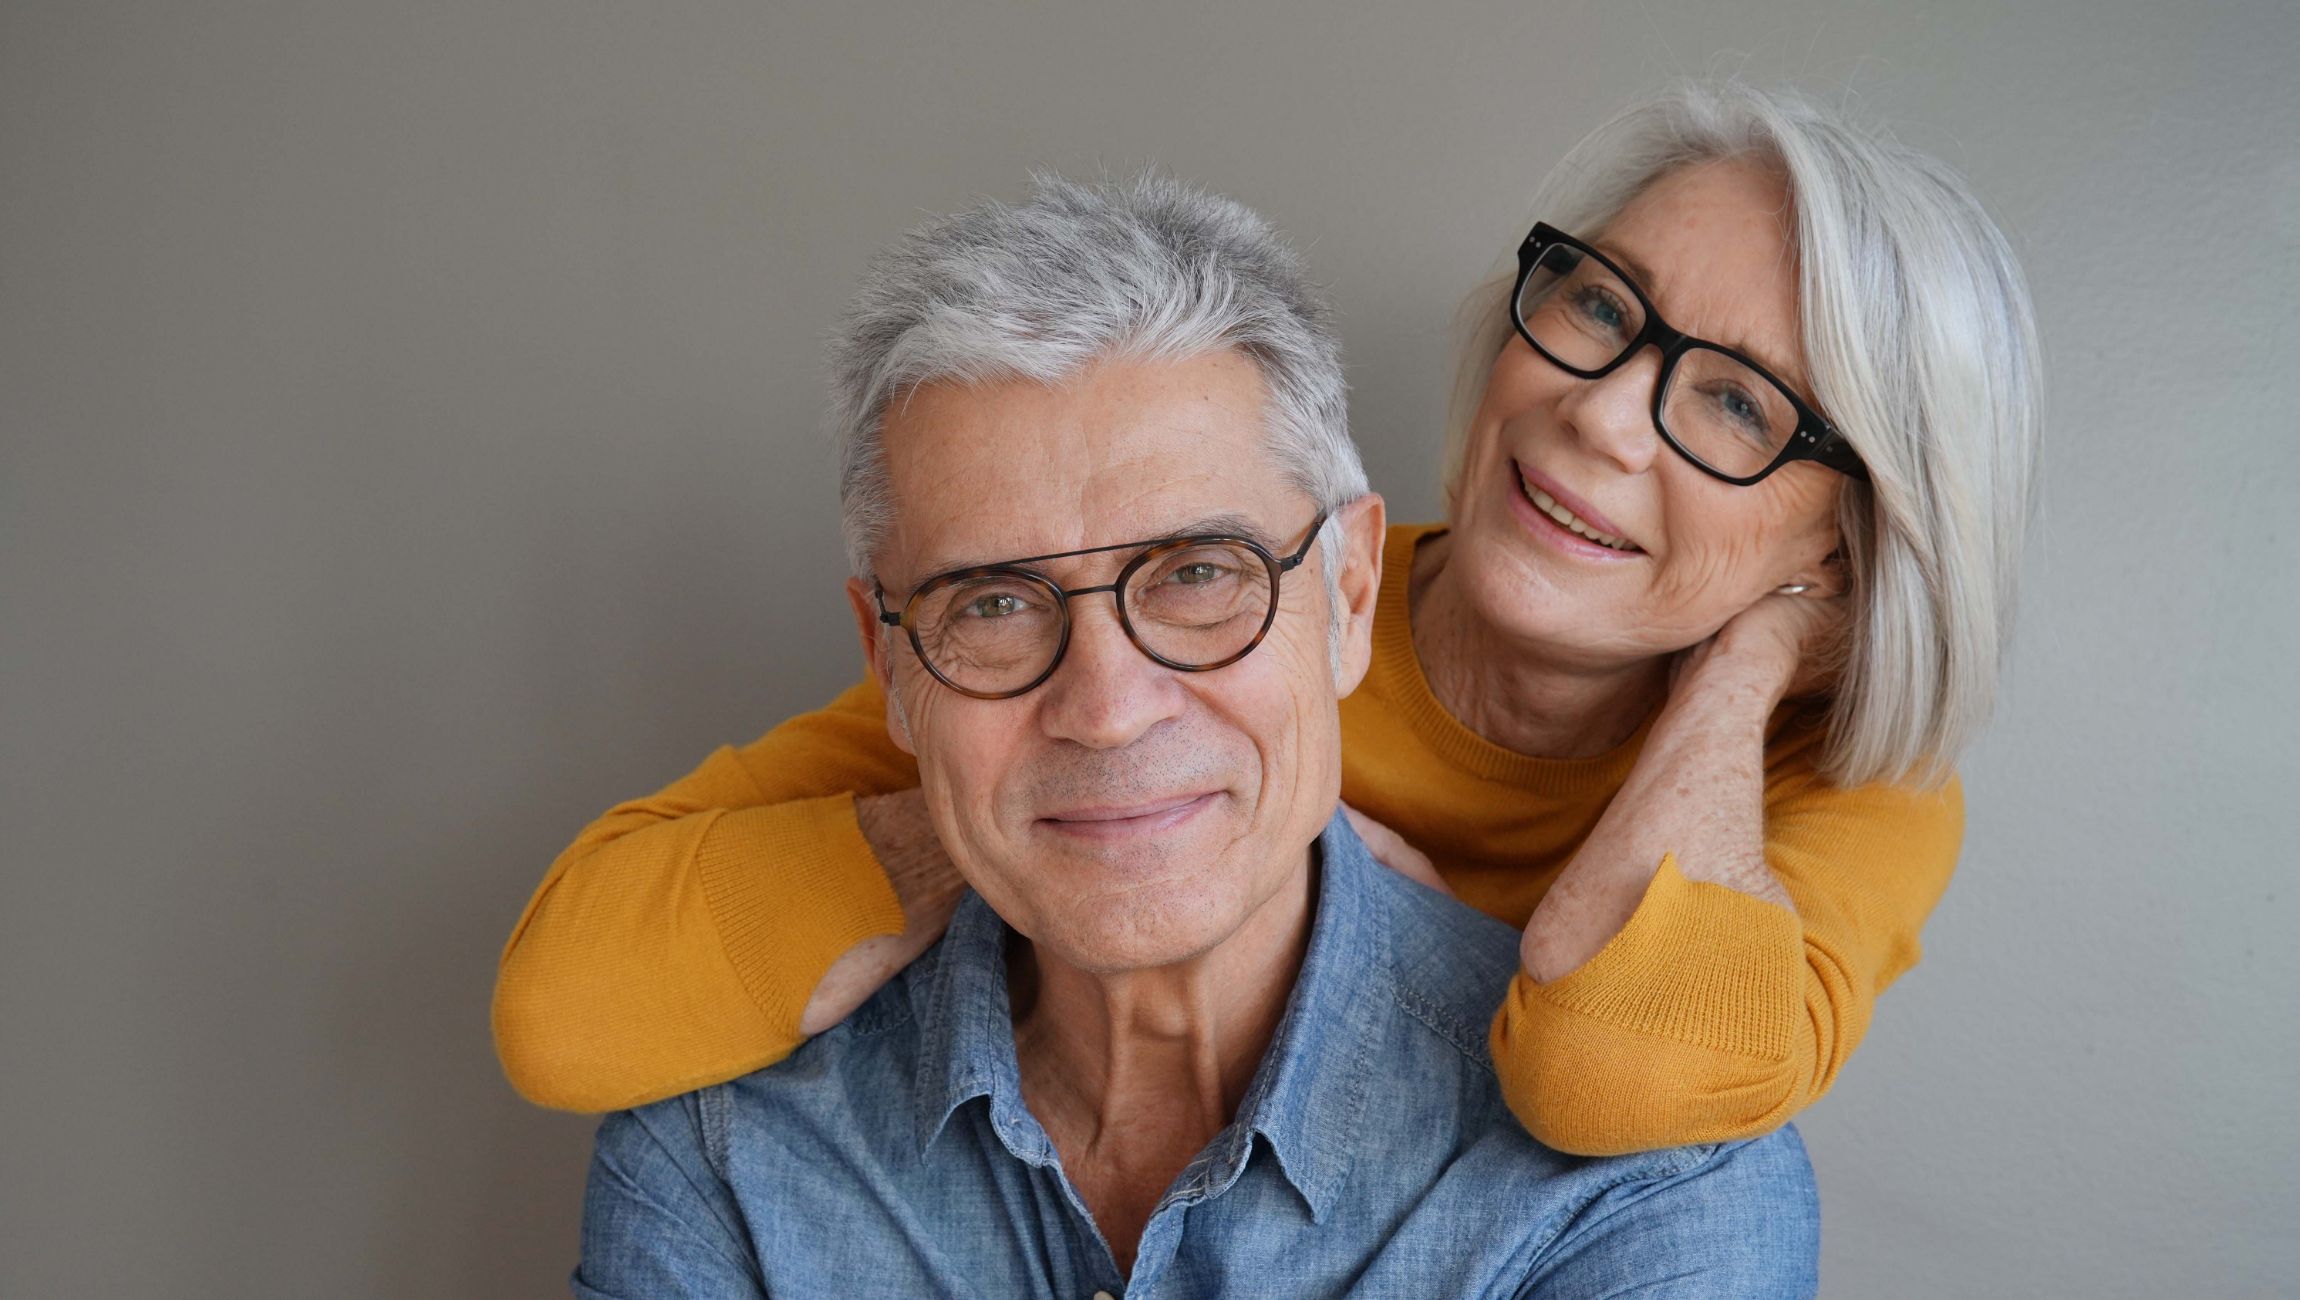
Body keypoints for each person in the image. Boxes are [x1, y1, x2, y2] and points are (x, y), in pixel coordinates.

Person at [499, 80, 2042, 1155]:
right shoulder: (1221, 599)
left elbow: (1623, 1074)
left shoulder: (1842, 792)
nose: (1601, 416)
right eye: (1598, 306)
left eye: (1733, 403)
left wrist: (1754, 656)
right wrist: (1062, 809)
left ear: (1847, 535)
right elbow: (568, 1007)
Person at [573, 172, 1820, 1299]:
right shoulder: (721, 1151)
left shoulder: (1646, 1189)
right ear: (889, 665)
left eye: (1198, 573)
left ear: (1347, 597)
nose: (1109, 709)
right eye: (994, 604)